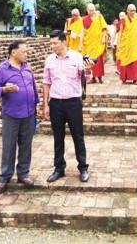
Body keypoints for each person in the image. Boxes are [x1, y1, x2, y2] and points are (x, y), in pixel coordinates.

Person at [0, 40, 40, 194]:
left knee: (26, 144)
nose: (26, 54)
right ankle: (5, 176)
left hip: (28, 113)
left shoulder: (27, 68)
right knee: (9, 146)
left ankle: (23, 174)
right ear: (13, 52)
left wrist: (36, 105)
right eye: (24, 51)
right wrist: (5, 89)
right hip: (11, 114)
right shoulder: (2, 69)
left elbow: (33, 88)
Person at [43, 30, 91, 183]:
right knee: (58, 137)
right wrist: (46, 104)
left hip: (73, 102)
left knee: (78, 135)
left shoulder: (77, 57)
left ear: (64, 42)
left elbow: (85, 77)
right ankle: (59, 168)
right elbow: (46, 83)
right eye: (51, 43)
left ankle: (83, 167)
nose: (52, 46)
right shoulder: (49, 60)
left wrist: (89, 71)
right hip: (56, 102)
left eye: (55, 43)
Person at [116, 4, 137, 84]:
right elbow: (120, 32)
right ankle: (124, 78)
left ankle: (135, 78)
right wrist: (118, 44)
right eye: (131, 10)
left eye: (134, 10)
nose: (133, 12)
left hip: (136, 44)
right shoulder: (124, 19)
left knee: (136, 62)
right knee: (125, 61)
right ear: (127, 11)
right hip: (126, 45)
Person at [82, 3, 108, 83]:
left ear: (95, 10)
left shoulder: (99, 17)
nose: (91, 12)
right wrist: (81, 41)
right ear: (87, 11)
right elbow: (82, 31)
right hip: (88, 43)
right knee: (89, 60)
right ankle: (92, 78)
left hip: (98, 43)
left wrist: (103, 38)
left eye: (92, 10)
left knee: (99, 61)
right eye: (89, 10)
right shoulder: (84, 19)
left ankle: (99, 77)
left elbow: (104, 29)